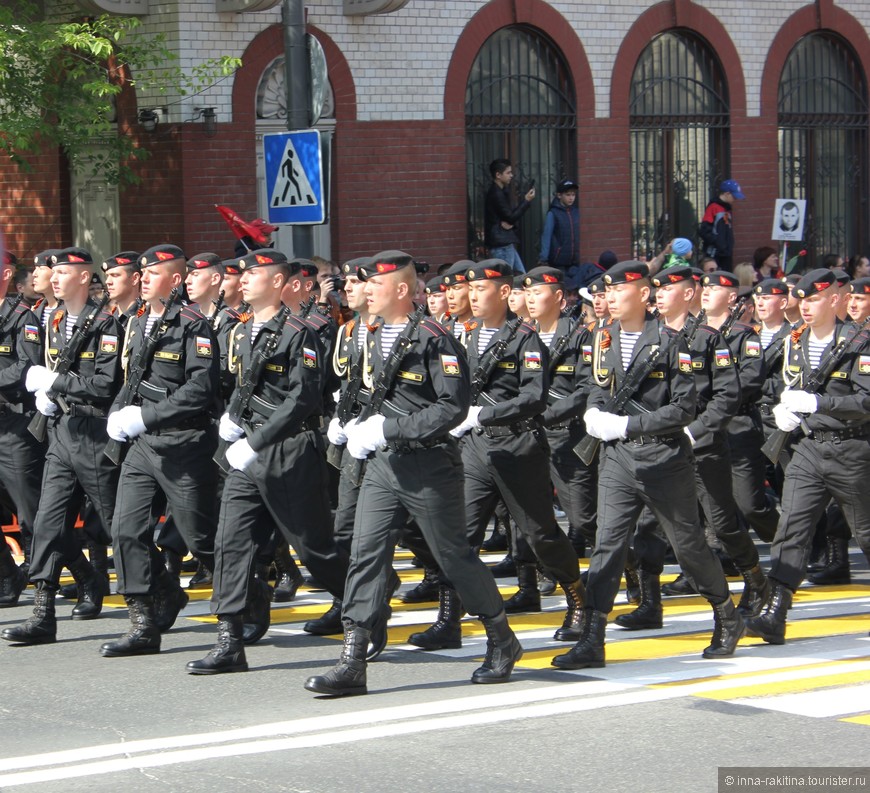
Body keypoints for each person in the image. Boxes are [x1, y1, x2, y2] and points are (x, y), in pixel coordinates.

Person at [304, 251, 522, 696]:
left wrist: (389, 427)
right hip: (384, 464)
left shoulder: (434, 338)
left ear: (401, 290)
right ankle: (353, 658)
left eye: (375, 285)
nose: (365, 291)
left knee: (453, 558)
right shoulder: (371, 335)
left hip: (428, 465)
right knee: (366, 556)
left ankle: (502, 639)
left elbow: (451, 406)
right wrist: (353, 422)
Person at [551, 260, 744, 671]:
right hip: (618, 458)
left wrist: (629, 423)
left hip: (663, 457)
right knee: (608, 544)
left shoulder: (673, 342)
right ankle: (592, 638)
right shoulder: (602, 337)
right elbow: (594, 385)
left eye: (619, 291)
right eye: (606, 291)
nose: (610, 299)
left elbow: (685, 407)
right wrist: (595, 414)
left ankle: (727, 614)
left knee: (688, 545)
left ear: (641, 294)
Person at [187, 249, 349, 674]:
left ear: (278, 282)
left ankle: (361, 606)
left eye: (253, 274)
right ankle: (229, 640)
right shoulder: (242, 332)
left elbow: (303, 397)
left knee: (312, 548)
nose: (243, 280)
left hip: (289, 452)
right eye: (242, 274)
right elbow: (238, 386)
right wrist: (231, 420)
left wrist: (255, 439)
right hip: (247, 454)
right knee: (231, 542)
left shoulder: (301, 332)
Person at [410, 259, 584, 650]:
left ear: (504, 292)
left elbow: (533, 396)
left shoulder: (526, 338)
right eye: (468, 289)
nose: (471, 295)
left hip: (516, 446)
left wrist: (484, 413)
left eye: (480, 289)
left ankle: (577, 598)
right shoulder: (463, 336)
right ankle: (449, 619)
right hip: (472, 447)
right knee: (459, 538)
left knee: (540, 534)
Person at [100, 244, 221, 658]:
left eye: (154, 273)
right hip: (143, 447)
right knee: (125, 530)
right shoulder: (136, 323)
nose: (145, 278)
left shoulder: (193, 325)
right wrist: (118, 415)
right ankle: (143, 622)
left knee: (199, 537)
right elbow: (129, 379)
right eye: (143, 273)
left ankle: (250, 592)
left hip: (184, 444)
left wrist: (146, 417)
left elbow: (200, 389)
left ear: (174, 279)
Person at [1, 247, 123, 644]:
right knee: (46, 523)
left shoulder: (105, 322)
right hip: (60, 431)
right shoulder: (53, 318)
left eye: (63, 271)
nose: (53, 277)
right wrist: (51, 394)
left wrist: (53, 384)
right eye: (52, 271)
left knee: (116, 525)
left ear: (85, 277)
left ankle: (158, 587)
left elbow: (104, 385)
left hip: (93, 433)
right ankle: (43, 613)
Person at [747, 269, 870, 645]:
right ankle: (775, 609)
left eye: (814, 299)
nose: (806, 307)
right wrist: (783, 412)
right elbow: (785, 387)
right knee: (792, 529)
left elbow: (866, 400)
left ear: (836, 299)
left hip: (851, 449)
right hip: (808, 448)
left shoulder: (859, 342)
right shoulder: (795, 340)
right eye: (802, 300)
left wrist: (820, 402)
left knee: (866, 532)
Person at [0, 253, 44, 606]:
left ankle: (69, 572)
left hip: (14, 423)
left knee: (30, 509)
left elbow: (27, 365)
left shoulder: (21, 317)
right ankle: (6, 575)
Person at [484, 158, 535, 274]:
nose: (511, 175)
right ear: (498, 175)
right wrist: (526, 201)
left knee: (521, 276)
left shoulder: (501, 191)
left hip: (504, 243)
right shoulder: (496, 193)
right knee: (506, 279)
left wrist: (510, 222)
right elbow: (511, 216)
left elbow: (509, 217)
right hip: (501, 244)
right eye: (508, 173)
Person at [699, 179, 745, 271]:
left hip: (725, 253)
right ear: (727, 194)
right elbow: (704, 230)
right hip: (715, 254)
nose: (735, 200)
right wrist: (718, 243)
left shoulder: (726, 209)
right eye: (734, 197)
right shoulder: (714, 207)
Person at [538, 179, 579, 273]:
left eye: (573, 195)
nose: (571, 198)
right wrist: (543, 258)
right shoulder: (553, 213)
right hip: (558, 261)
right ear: (559, 195)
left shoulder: (575, 212)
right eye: (568, 195)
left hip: (574, 261)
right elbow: (546, 235)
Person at [102, 252, 142, 319]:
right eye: (107, 276)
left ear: (135, 278)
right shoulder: (108, 319)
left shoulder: (144, 318)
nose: (108, 282)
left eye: (115, 275)